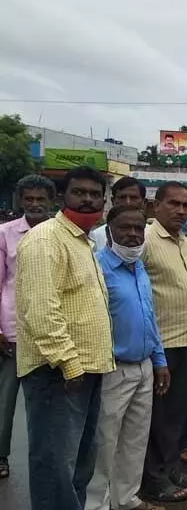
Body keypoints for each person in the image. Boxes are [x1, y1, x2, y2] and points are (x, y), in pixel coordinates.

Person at [16, 166, 114, 510]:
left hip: (86, 369)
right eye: (79, 192)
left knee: (78, 466)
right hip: (58, 372)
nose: (87, 199)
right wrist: (69, 364)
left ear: (104, 199)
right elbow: (40, 310)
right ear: (62, 196)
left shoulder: (82, 241)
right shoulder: (46, 240)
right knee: (54, 468)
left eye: (94, 194)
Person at [87, 205, 170, 510]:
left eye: (138, 228)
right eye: (125, 228)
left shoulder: (139, 268)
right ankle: (97, 504)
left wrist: (159, 361)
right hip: (113, 369)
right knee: (105, 442)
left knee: (135, 439)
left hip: (144, 367)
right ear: (109, 231)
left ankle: (126, 499)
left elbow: (150, 318)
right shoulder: (98, 268)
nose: (133, 235)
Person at [141, 182, 187, 504]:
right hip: (160, 344)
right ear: (156, 205)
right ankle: (154, 478)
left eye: (185, 205)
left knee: (176, 412)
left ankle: (171, 466)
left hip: (184, 340)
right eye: (174, 204)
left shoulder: (184, 241)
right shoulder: (147, 239)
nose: (181, 210)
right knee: (157, 417)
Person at [0, 174, 55, 481]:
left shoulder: (60, 234)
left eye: (41, 199)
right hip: (12, 333)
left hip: (48, 333)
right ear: (20, 201)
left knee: (47, 402)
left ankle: (49, 456)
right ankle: (0, 455)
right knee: (5, 398)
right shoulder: (5, 234)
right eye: (29, 199)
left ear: (51, 202)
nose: (35, 204)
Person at [90, 177, 147, 249]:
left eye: (133, 198)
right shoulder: (97, 236)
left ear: (144, 203)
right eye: (122, 197)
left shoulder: (151, 234)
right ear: (113, 200)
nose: (127, 202)